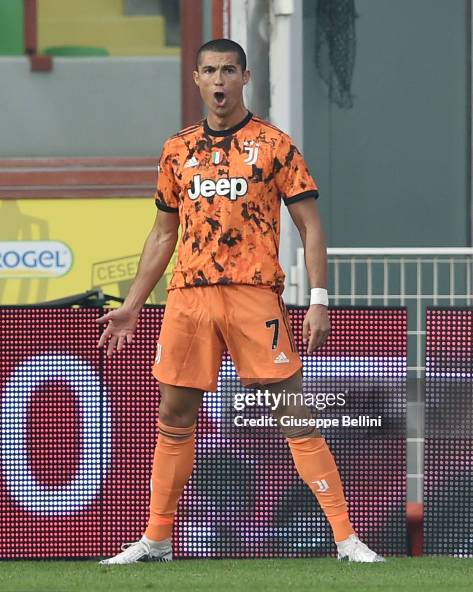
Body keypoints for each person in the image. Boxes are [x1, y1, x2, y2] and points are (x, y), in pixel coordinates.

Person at [97, 38, 384, 564]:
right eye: (210, 70)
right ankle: (156, 539)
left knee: (295, 416)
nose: (220, 80)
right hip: (188, 298)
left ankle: (346, 538)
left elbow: (310, 227)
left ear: (245, 78)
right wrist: (134, 304)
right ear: (197, 79)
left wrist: (318, 299)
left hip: (255, 296)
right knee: (176, 414)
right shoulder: (176, 150)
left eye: (229, 70)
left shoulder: (275, 144)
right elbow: (163, 234)